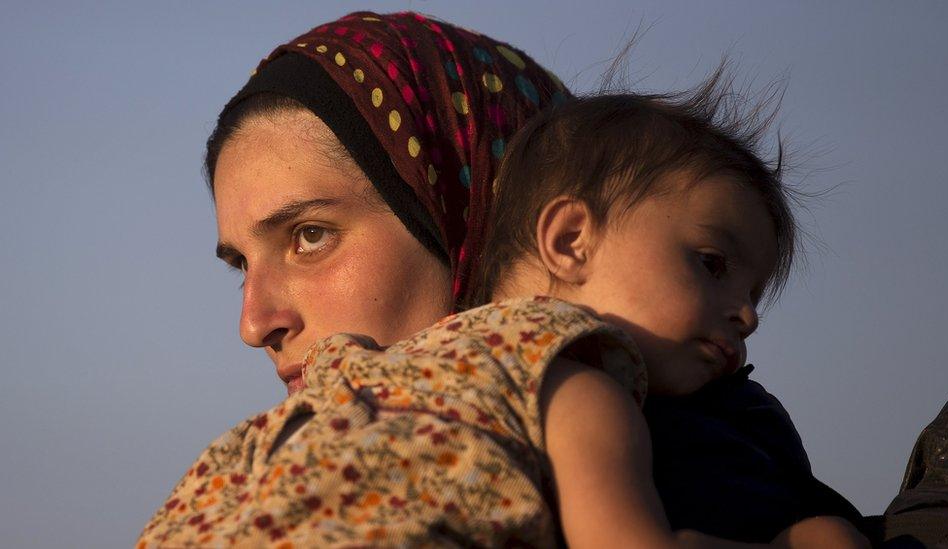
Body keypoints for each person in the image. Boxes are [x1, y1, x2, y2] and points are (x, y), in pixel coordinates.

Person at [139, 10, 865, 547]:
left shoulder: (712, 458)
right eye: (240, 263)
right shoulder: (262, 472)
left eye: (309, 235)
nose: (254, 321)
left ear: (468, 205)